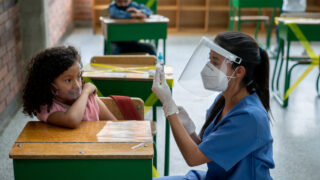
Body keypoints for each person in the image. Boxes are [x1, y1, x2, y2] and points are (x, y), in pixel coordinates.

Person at [152, 32, 274, 179]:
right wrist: (189, 131)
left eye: (215, 62)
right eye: (209, 60)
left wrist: (169, 108)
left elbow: (194, 158)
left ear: (239, 71)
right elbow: (208, 150)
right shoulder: (223, 100)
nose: (208, 67)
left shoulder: (250, 117)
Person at [22, 46, 117, 128]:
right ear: (50, 86)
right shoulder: (48, 108)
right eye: (68, 80)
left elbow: (114, 124)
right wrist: (85, 92)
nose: (77, 84)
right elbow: (72, 120)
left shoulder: (90, 99)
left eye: (79, 76)